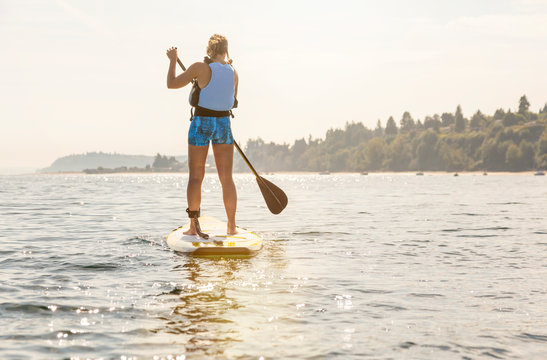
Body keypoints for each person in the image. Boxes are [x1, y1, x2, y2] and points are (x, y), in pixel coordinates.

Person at [166, 34, 239, 236]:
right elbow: (232, 101)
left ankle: (193, 226)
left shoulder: (200, 67)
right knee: (227, 178)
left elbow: (171, 84)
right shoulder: (234, 72)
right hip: (224, 123)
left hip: (202, 122)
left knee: (196, 176)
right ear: (226, 50)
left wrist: (173, 61)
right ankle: (231, 226)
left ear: (210, 50)